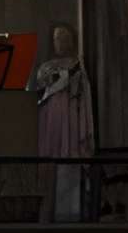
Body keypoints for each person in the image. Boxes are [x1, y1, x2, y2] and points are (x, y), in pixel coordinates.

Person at [30, 21, 95, 221]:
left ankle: (70, 215)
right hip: (50, 121)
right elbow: (39, 89)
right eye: (57, 38)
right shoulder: (46, 67)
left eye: (64, 38)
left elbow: (82, 94)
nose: (60, 42)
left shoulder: (78, 65)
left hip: (71, 120)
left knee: (70, 162)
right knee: (50, 166)